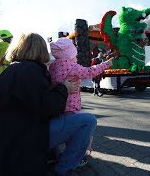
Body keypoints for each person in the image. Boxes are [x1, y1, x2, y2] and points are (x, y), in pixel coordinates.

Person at [0, 33, 80, 175]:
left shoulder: (14, 69)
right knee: (87, 121)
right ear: (40, 50)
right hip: (23, 135)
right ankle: (63, 169)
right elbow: (49, 107)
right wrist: (64, 88)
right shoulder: (30, 71)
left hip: (7, 130)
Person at [48, 38, 113, 175]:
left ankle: (65, 156)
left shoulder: (53, 67)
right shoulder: (71, 66)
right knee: (80, 132)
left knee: (70, 133)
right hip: (71, 107)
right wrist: (106, 64)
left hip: (58, 108)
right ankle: (69, 163)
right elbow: (89, 72)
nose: (76, 57)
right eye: (74, 54)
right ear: (70, 54)